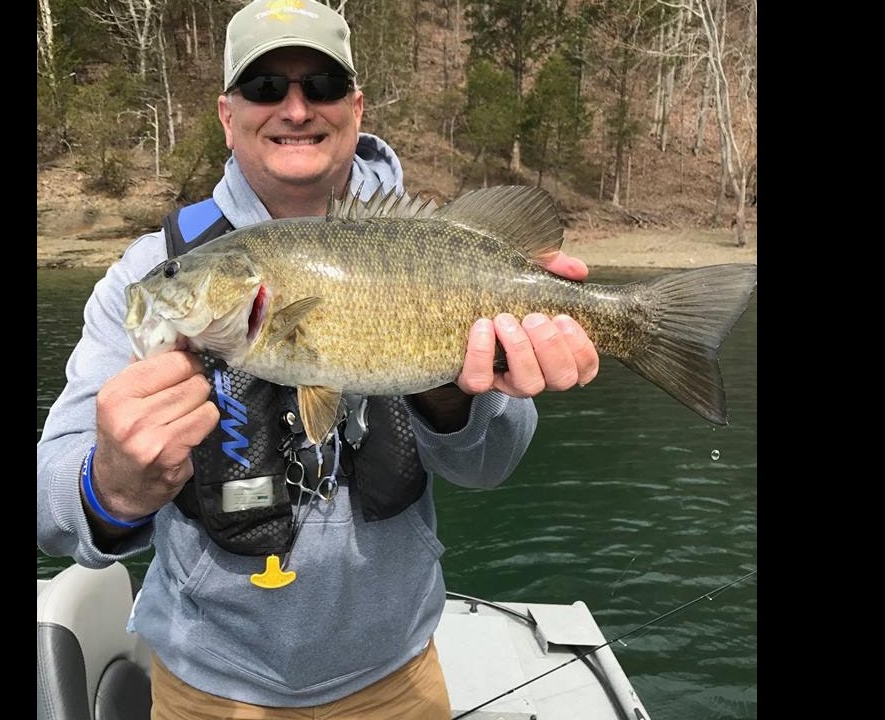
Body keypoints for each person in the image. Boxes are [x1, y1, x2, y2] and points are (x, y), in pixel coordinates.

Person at [37, 1, 599, 717]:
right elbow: (48, 507)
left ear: (356, 107)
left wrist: (453, 394)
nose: (296, 109)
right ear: (226, 113)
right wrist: (110, 484)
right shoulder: (148, 275)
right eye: (266, 88)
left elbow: (489, 467)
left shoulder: (434, 247)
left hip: (397, 681)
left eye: (322, 87)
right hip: (207, 691)